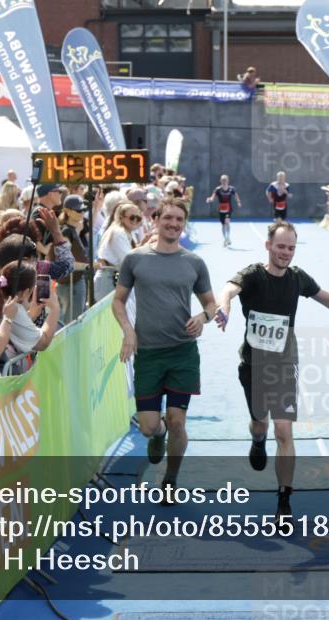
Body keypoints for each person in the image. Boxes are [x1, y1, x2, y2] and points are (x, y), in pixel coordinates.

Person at [215, 221, 329, 518]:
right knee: (260, 422)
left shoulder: (298, 278)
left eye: (291, 248)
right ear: (268, 246)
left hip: (285, 364)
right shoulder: (253, 274)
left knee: (284, 429)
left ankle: (284, 500)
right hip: (253, 365)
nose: (286, 253)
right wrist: (225, 306)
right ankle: (257, 439)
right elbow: (228, 289)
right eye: (280, 247)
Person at [112, 199, 216, 499]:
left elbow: (211, 304)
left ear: (184, 224)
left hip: (183, 353)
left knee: (177, 420)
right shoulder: (135, 259)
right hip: (148, 354)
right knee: (149, 426)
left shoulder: (194, 262)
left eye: (179, 220)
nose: (173, 224)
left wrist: (202, 317)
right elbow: (118, 300)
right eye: (168, 218)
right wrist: (129, 332)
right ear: (156, 220)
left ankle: (170, 481)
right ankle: (157, 436)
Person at [0, 261, 60, 356]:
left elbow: (12, 326)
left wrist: (30, 315)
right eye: (31, 291)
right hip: (7, 368)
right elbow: (43, 343)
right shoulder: (16, 310)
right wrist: (55, 308)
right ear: (25, 293)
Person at [95, 203, 142, 302]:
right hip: (109, 278)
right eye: (132, 217)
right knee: (109, 316)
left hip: (115, 278)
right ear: (121, 217)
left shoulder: (127, 233)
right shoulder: (118, 232)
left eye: (138, 218)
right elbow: (128, 260)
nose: (135, 220)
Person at [56, 195, 89, 322]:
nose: (82, 213)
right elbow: (65, 262)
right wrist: (88, 266)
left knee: (74, 321)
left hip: (74, 282)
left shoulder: (72, 230)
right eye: (78, 210)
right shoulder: (66, 232)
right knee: (73, 322)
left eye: (83, 210)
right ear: (67, 211)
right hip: (71, 284)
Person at [206, 174, 242, 247]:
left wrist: (238, 202)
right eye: (222, 180)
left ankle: (228, 237)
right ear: (220, 181)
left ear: (228, 180)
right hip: (221, 208)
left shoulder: (232, 189)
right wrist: (209, 199)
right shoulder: (217, 189)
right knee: (223, 225)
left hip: (228, 208)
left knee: (227, 222)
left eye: (225, 180)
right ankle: (225, 239)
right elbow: (213, 198)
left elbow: (236, 195)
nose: (224, 181)